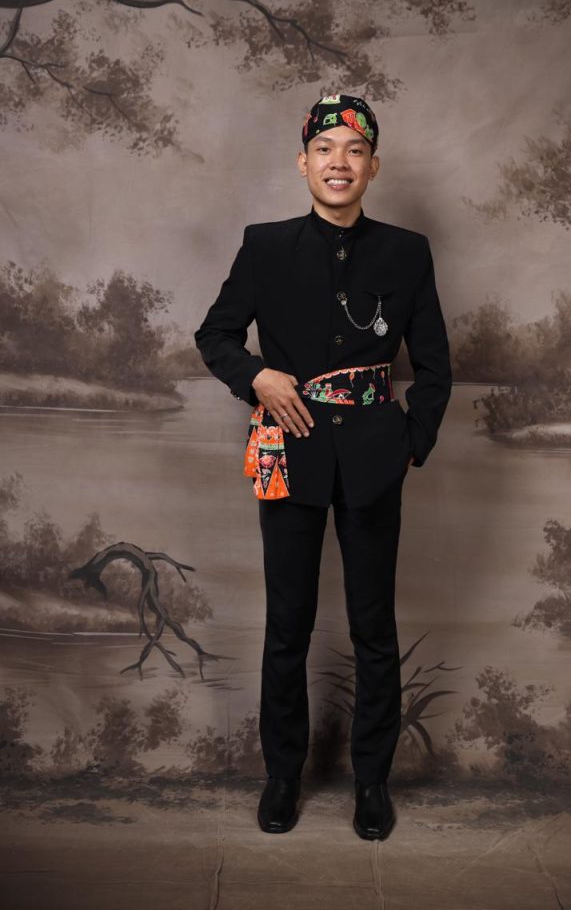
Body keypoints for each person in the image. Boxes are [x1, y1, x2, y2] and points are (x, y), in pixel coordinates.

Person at [194, 94, 452, 840]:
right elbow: (215, 335)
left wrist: (410, 442)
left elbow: (434, 366)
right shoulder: (265, 246)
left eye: (354, 151)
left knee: (374, 625)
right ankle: (282, 776)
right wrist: (256, 377)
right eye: (325, 150)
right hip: (291, 452)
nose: (339, 163)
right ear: (302, 163)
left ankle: (372, 781)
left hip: (374, 458)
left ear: (373, 167)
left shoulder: (406, 252)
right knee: (288, 623)